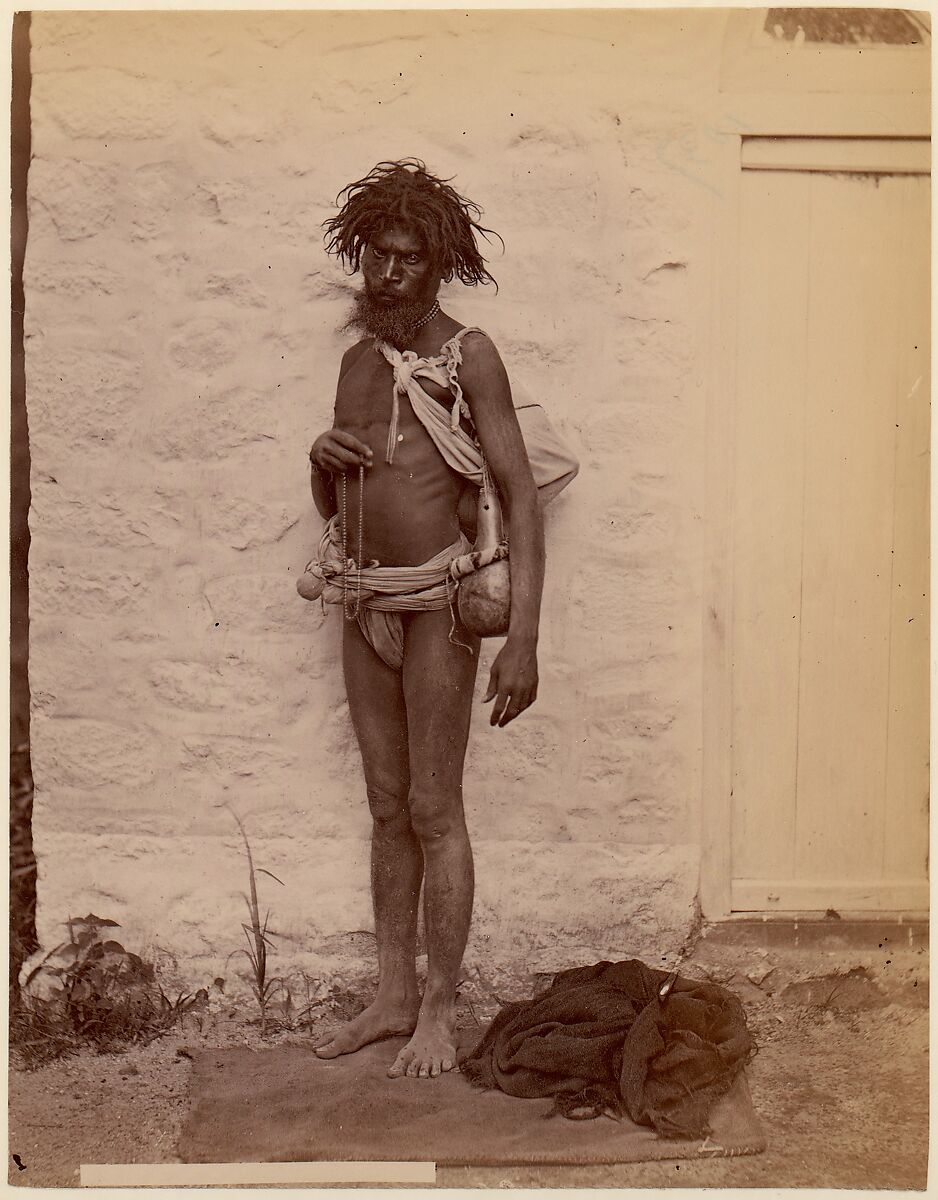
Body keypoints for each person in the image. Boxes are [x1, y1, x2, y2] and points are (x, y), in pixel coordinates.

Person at [305, 160, 545, 1079]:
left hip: (441, 606)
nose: (391, 275)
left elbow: (519, 496)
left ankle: (439, 1013)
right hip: (363, 603)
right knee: (384, 806)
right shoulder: (356, 360)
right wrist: (320, 459)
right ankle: (391, 997)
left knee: (435, 808)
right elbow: (344, 498)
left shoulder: (468, 354)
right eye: (378, 258)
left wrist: (521, 637)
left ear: (439, 265)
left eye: (409, 260)